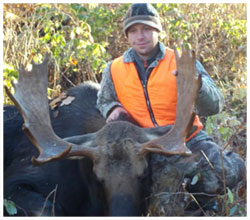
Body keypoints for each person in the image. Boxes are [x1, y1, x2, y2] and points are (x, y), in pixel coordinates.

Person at [96, 3, 245, 216]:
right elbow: (103, 100)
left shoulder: (181, 60)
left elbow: (216, 105)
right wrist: (112, 108)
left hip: (190, 138)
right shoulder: (114, 68)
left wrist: (197, 86)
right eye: (133, 31)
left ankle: (224, 179)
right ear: (127, 36)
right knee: (166, 205)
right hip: (148, 147)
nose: (140, 36)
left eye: (146, 29)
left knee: (224, 172)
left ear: (158, 30)